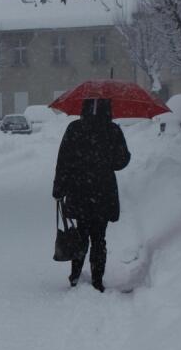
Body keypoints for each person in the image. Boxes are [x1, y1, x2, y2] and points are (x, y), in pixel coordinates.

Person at [52, 98, 131, 292]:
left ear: (83, 107)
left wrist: (59, 188)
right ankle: (97, 279)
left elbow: (63, 160)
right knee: (99, 237)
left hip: (79, 189)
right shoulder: (112, 130)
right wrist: (109, 160)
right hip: (103, 190)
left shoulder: (75, 128)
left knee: (81, 234)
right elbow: (121, 161)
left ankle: (75, 275)